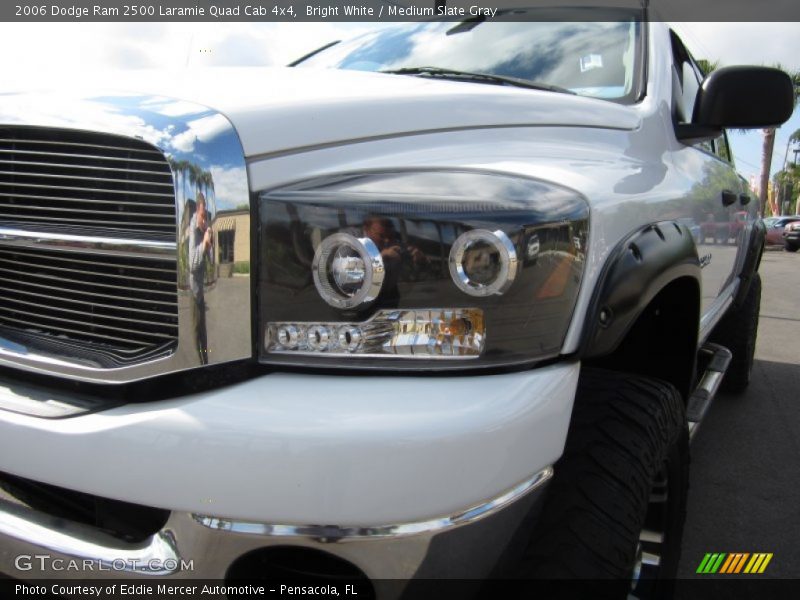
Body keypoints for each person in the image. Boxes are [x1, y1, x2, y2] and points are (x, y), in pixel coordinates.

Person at [188, 192, 212, 364]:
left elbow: (210, 260)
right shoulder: (192, 230)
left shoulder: (202, 229)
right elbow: (192, 264)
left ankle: (206, 360)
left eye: (205, 217)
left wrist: (209, 240)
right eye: (202, 216)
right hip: (194, 291)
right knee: (197, 331)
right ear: (197, 211)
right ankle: (199, 364)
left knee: (204, 331)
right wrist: (204, 244)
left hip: (202, 292)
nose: (204, 220)